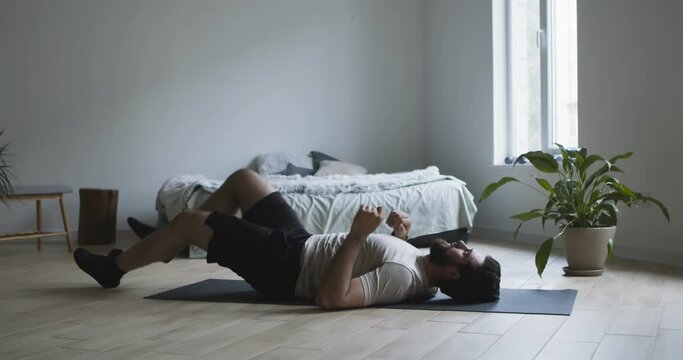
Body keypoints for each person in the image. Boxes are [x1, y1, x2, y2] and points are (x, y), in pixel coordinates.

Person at [74, 169, 501, 309]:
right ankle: (172, 243)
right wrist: (395, 235)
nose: (462, 246)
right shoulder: (418, 270)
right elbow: (378, 262)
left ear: (453, 275)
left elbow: (333, 298)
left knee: (188, 219)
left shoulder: (403, 278)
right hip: (303, 243)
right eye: (467, 247)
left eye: (466, 256)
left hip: (286, 265)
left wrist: (356, 236)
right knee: (245, 180)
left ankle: (114, 268)